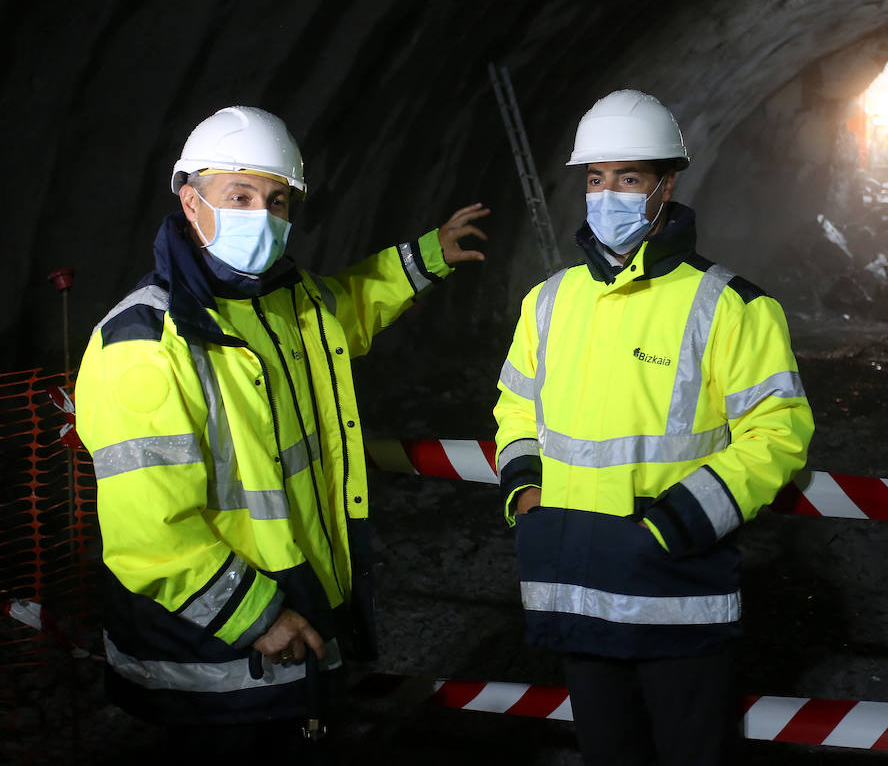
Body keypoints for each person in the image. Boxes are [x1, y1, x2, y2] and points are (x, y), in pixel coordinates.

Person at [74, 105, 487, 758]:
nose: (261, 216)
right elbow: (150, 533)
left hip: (292, 611)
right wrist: (256, 616)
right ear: (190, 201)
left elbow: (346, 306)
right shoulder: (145, 342)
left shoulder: (281, 303)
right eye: (238, 195)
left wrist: (425, 257)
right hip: (215, 650)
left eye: (277, 200)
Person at [493, 89, 814, 765]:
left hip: (676, 599)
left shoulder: (731, 306)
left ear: (667, 185)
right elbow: (516, 408)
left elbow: (778, 432)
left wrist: (676, 526)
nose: (608, 195)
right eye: (596, 178)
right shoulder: (548, 303)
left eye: (629, 178)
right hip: (576, 586)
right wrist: (525, 492)